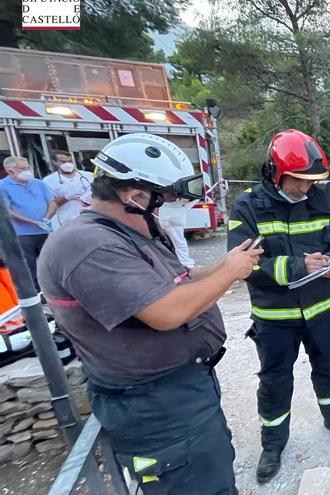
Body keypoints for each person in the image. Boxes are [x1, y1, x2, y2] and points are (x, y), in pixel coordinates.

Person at [36, 133, 261, 494]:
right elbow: (166, 312)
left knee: (212, 471)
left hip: (179, 390)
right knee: (192, 485)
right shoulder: (88, 245)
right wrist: (228, 273)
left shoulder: (129, 231)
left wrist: (224, 266)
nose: (171, 206)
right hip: (152, 405)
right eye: (167, 199)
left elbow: (177, 280)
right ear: (136, 196)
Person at [227, 129, 330, 484]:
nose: (304, 189)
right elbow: (242, 264)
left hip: (322, 312)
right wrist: (295, 266)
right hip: (275, 320)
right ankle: (273, 444)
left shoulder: (321, 201)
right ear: (276, 172)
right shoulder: (247, 206)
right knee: (274, 382)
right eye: (297, 181)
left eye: (309, 182)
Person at [0, 156, 57, 291]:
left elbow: (52, 203)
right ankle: (36, 293)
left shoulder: (38, 183)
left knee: (50, 263)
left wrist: (46, 218)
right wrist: (33, 222)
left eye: (27, 168)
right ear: (11, 171)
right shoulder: (2, 186)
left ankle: (54, 290)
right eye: (22, 169)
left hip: (44, 230)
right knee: (28, 265)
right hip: (21, 234)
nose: (27, 171)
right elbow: (7, 211)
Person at [42, 150, 93, 228]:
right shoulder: (49, 181)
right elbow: (50, 204)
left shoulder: (88, 176)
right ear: (54, 162)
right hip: (67, 221)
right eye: (63, 162)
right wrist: (67, 197)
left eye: (70, 161)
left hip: (90, 219)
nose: (68, 164)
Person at [158, 199, 195, 268]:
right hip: (173, 220)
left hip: (167, 219)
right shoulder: (176, 204)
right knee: (179, 243)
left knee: (177, 242)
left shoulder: (167, 203)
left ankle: (184, 262)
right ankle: (186, 263)